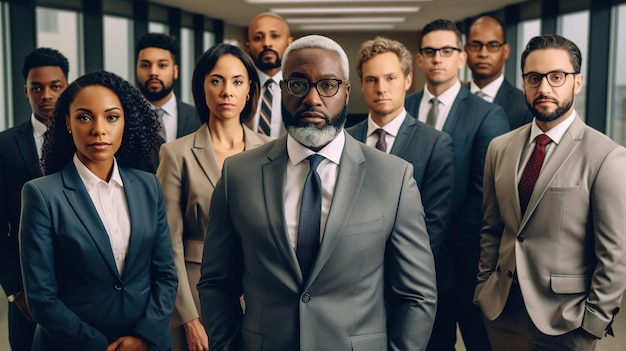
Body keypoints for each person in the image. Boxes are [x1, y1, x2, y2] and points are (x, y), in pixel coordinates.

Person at [198, 35, 437, 350]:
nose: (312, 99)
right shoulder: (238, 175)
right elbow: (217, 283)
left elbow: (416, 294)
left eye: (327, 85)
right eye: (298, 84)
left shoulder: (393, 178)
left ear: (347, 93)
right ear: (283, 90)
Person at [475, 34, 626, 351]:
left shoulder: (607, 156)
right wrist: (484, 286)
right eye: (534, 78)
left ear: (577, 82)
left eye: (557, 77)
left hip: (566, 321)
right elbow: (492, 227)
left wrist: (593, 324)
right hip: (502, 310)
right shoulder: (499, 148)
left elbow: (614, 254)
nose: (544, 88)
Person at [19, 71, 178, 351]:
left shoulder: (148, 185)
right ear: (67, 123)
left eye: (112, 117)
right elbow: (42, 297)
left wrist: (144, 336)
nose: (99, 129)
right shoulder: (41, 195)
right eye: (84, 117)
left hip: (147, 342)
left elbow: (165, 273)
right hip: (72, 344)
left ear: (125, 122)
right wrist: (97, 345)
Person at [157, 43, 271, 351]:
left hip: (261, 298)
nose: (227, 91)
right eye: (216, 80)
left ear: (250, 90)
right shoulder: (176, 154)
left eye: (237, 82)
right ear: (202, 87)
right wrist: (188, 319)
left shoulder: (272, 150)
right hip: (197, 298)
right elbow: (167, 244)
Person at [404, 19, 509, 351]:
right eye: (430, 51)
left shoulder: (487, 115)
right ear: (418, 59)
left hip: (464, 265)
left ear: (460, 57)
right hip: (406, 262)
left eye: (446, 51)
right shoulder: (402, 108)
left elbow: (484, 196)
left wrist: (429, 246)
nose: (438, 58)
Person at [347, 37, 454, 349]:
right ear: (361, 85)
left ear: (408, 80)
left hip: (409, 284)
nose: (382, 88)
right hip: (352, 288)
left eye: (391, 78)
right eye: (372, 79)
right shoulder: (344, 141)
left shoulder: (435, 143)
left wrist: (382, 268)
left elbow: (434, 224)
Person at [0, 47, 69, 351]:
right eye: (37, 87)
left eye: (55, 86)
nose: (46, 95)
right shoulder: (3, 145)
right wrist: (15, 290)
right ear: (25, 90)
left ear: (67, 88)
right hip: (27, 289)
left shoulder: (88, 139)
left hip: (81, 285)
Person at [465, 15, 533, 129]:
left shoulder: (525, 106)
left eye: (493, 46)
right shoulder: (453, 97)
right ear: (465, 50)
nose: (483, 53)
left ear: (505, 51)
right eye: (475, 45)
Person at [136, 33, 201, 143]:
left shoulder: (198, 117)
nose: (153, 72)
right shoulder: (125, 118)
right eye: (145, 65)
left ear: (175, 71)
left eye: (162, 65)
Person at [244, 12, 293, 137]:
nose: (267, 43)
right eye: (258, 38)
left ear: (290, 43)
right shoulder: (239, 89)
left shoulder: (302, 89)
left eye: (275, 36)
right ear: (248, 48)